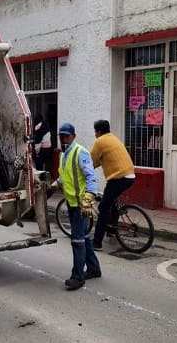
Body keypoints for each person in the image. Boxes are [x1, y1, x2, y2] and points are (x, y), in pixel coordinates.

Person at [51, 123, 101, 290]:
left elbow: (91, 178)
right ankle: (93, 268)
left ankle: (77, 277)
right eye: (61, 136)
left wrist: (88, 198)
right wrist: (54, 184)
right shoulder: (64, 154)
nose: (63, 139)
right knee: (84, 237)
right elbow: (66, 175)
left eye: (66, 136)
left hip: (81, 205)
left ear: (73, 136)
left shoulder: (81, 152)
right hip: (72, 203)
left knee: (77, 240)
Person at [90, 120, 135, 251]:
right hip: (130, 175)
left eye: (95, 132)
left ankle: (97, 242)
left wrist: (85, 171)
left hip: (118, 178)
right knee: (112, 201)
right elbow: (102, 160)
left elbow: (91, 161)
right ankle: (112, 230)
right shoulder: (113, 138)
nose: (95, 134)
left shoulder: (100, 141)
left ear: (98, 131)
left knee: (104, 207)